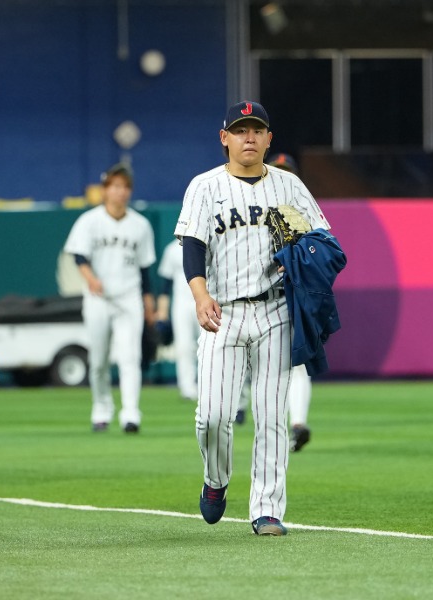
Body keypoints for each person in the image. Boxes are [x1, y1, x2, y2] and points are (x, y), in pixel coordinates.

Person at [175, 101, 330, 536]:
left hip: (276, 308)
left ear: (268, 138)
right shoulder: (205, 186)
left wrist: (303, 254)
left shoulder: (289, 185)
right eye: (240, 130)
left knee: (271, 415)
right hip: (223, 310)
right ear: (224, 138)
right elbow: (192, 246)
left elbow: (322, 240)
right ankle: (215, 479)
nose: (249, 137)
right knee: (213, 417)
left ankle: (267, 510)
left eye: (257, 130)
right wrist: (200, 294)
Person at [63, 163, 156, 434]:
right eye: (115, 186)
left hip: (129, 297)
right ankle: (101, 409)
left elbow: (144, 268)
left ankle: (131, 414)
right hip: (99, 298)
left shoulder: (140, 225)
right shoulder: (89, 221)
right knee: (99, 360)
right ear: (105, 190)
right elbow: (79, 256)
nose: (121, 191)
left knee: (130, 357)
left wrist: (148, 301)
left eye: (125, 187)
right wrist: (90, 278)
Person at [233, 153, 312, 452]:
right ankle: (244, 409)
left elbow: (321, 251)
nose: (281, 175)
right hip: (248, 298)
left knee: (296, 364)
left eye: (286, 171)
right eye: (277, 170)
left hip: (289, 295)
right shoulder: (248, 206)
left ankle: (297, 424)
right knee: (251, 362)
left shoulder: (301, 209)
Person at [155, 239, 199, 402]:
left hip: (205, 299)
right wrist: (162, 313)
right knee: (184, 346)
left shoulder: (206, 243)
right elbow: (165, 284)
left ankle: (207, 385)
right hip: (182, 303)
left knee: (208, 345)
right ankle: (187, 388)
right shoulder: (172, 249)